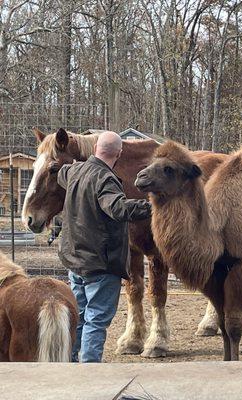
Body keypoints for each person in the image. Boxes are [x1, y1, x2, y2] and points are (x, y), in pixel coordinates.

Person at [57, 131, 151, 363]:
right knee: (96, 320)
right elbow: (118, 209)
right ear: (119, 153)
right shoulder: (106, 180)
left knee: (78, 317)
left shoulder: (73, 172)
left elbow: (60, 172)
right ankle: (89, 370)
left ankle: (69, 365)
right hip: (100, 264)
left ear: (96, 147)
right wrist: (153, 206)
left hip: (75, 262)